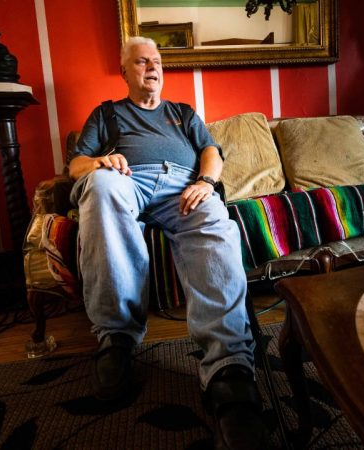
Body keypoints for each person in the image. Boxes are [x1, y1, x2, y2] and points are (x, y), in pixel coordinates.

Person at [68, 36, 267, 448]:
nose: (152, 67)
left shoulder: (183, 113)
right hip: (127, 181)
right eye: (141, 62)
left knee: (214, 217)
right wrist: (100, 162)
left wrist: (205, 182)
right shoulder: (107, 114)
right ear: (124, 72)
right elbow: (76, 165)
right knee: (100, 188)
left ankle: (228, 367)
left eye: (156, 61)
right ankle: (117, 340)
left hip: (183, 187)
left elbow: (211, 151)